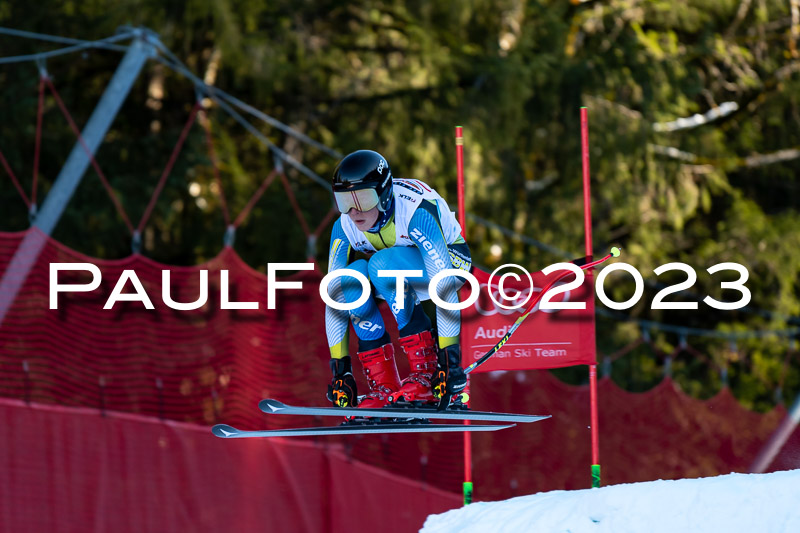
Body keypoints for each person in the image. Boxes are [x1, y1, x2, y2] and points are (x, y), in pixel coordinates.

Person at [324, 150, 472, 409]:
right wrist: (340, 371)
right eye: (344, 200)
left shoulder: (413, 212)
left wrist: (450, 361)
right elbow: (333, 297)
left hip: (450, 263)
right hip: (396, 273)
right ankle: (385, 387)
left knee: (382, 264)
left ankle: (426, 374)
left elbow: (445, 285)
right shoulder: (344, 226)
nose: (353, 211)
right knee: (350, 279)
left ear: (383, 194)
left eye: (363, 198)